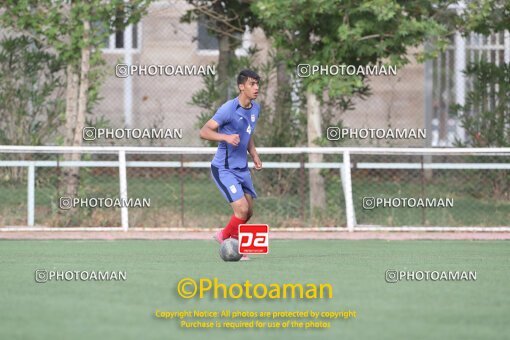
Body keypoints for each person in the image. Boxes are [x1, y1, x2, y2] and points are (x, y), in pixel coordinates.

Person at [199, 69, 262, 260]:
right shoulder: (228, 108)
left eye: (258, 84)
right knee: (241, 209)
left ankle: (225, 236)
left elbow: (247, 134)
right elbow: (204, 131)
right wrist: (225, 137)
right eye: (252, 84)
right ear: (241, 86)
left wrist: (254, 154)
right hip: (224, 168)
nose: (256, 88)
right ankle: (230, 241)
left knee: (248, 212)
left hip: (242, 169)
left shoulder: (256, 108)